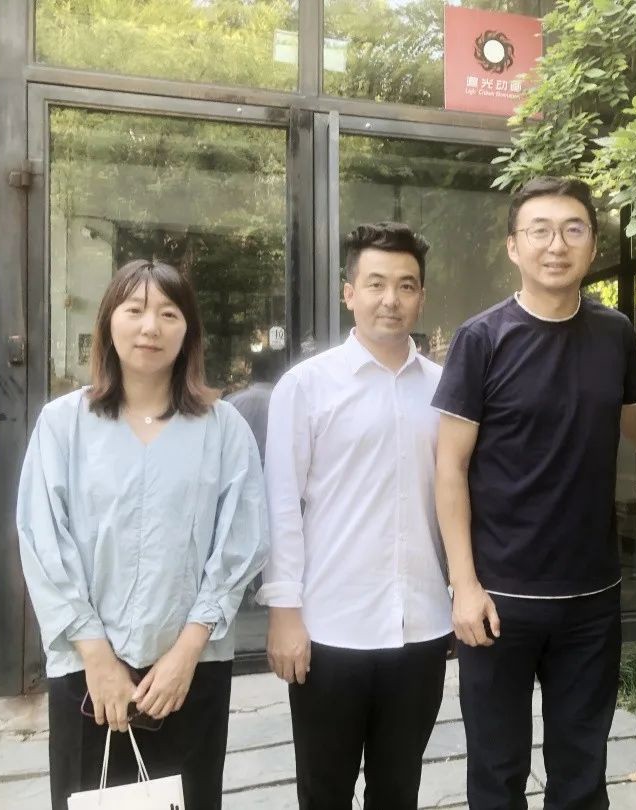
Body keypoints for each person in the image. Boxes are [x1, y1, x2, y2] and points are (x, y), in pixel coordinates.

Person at [17, 259, 269, 810]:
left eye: (168, 314)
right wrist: (97, 657)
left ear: (189, 331)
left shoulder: (223, 428)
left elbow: (241, 542)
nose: (150, 327)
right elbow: (43, 541)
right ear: (110, 321)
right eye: (135, 310)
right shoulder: (63, 424)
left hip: (190, 669)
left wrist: (186, 652)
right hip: (87, 671)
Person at [432, 177, 636, 809]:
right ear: (513, 246)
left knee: (582, 774)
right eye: (540, 231)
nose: (557, 245)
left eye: (573, 229)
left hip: (592, 598)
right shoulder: (482, 338)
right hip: (500, 600)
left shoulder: (615, 333)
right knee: (497, 774)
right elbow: (449, 466)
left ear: (593, 245)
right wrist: (464, 586)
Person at [259, 222, 452, 810]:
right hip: (329, 630)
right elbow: (281, 505)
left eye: (406, 285)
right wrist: (285, 613)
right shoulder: (306, 386)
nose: (390, 299)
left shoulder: (446, 390)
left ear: (421, 296)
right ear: (349, 293)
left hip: (421, 627)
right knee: (325, 791)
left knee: (399, 789)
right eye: (375, 284)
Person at [225, 349, 287, 465]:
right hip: (276, 465)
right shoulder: (286, 402)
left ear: (252, 373)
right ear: (277, 372)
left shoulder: (232, 402)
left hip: (241, 466)